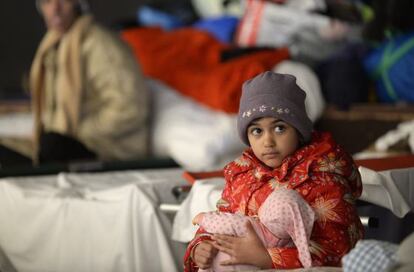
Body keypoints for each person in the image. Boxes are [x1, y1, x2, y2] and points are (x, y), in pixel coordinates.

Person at [183, 71, 364, 271]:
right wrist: (202, 246)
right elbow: (224, 220)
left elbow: (339, 251)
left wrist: (266, 258)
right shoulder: (242, 175)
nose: (267, 142)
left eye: (279, 128)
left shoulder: (325, 179)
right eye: (257, 131)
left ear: (298, 130)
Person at [0, 0, 149, 167]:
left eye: (63, 0)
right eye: (47, 1)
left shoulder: (100, 44)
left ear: (77, 3)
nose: (54, 9)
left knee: (52, 143)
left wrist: (78, 131)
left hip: (108, 150)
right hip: (68, 142)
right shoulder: (54, 45)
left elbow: (130, 108)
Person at [192, 188, 315, 271]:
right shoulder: (237, 174)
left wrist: (203, 218)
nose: (268, 146)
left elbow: (225, 222)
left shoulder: (325, 178)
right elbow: (219, 219)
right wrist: (200, 246)